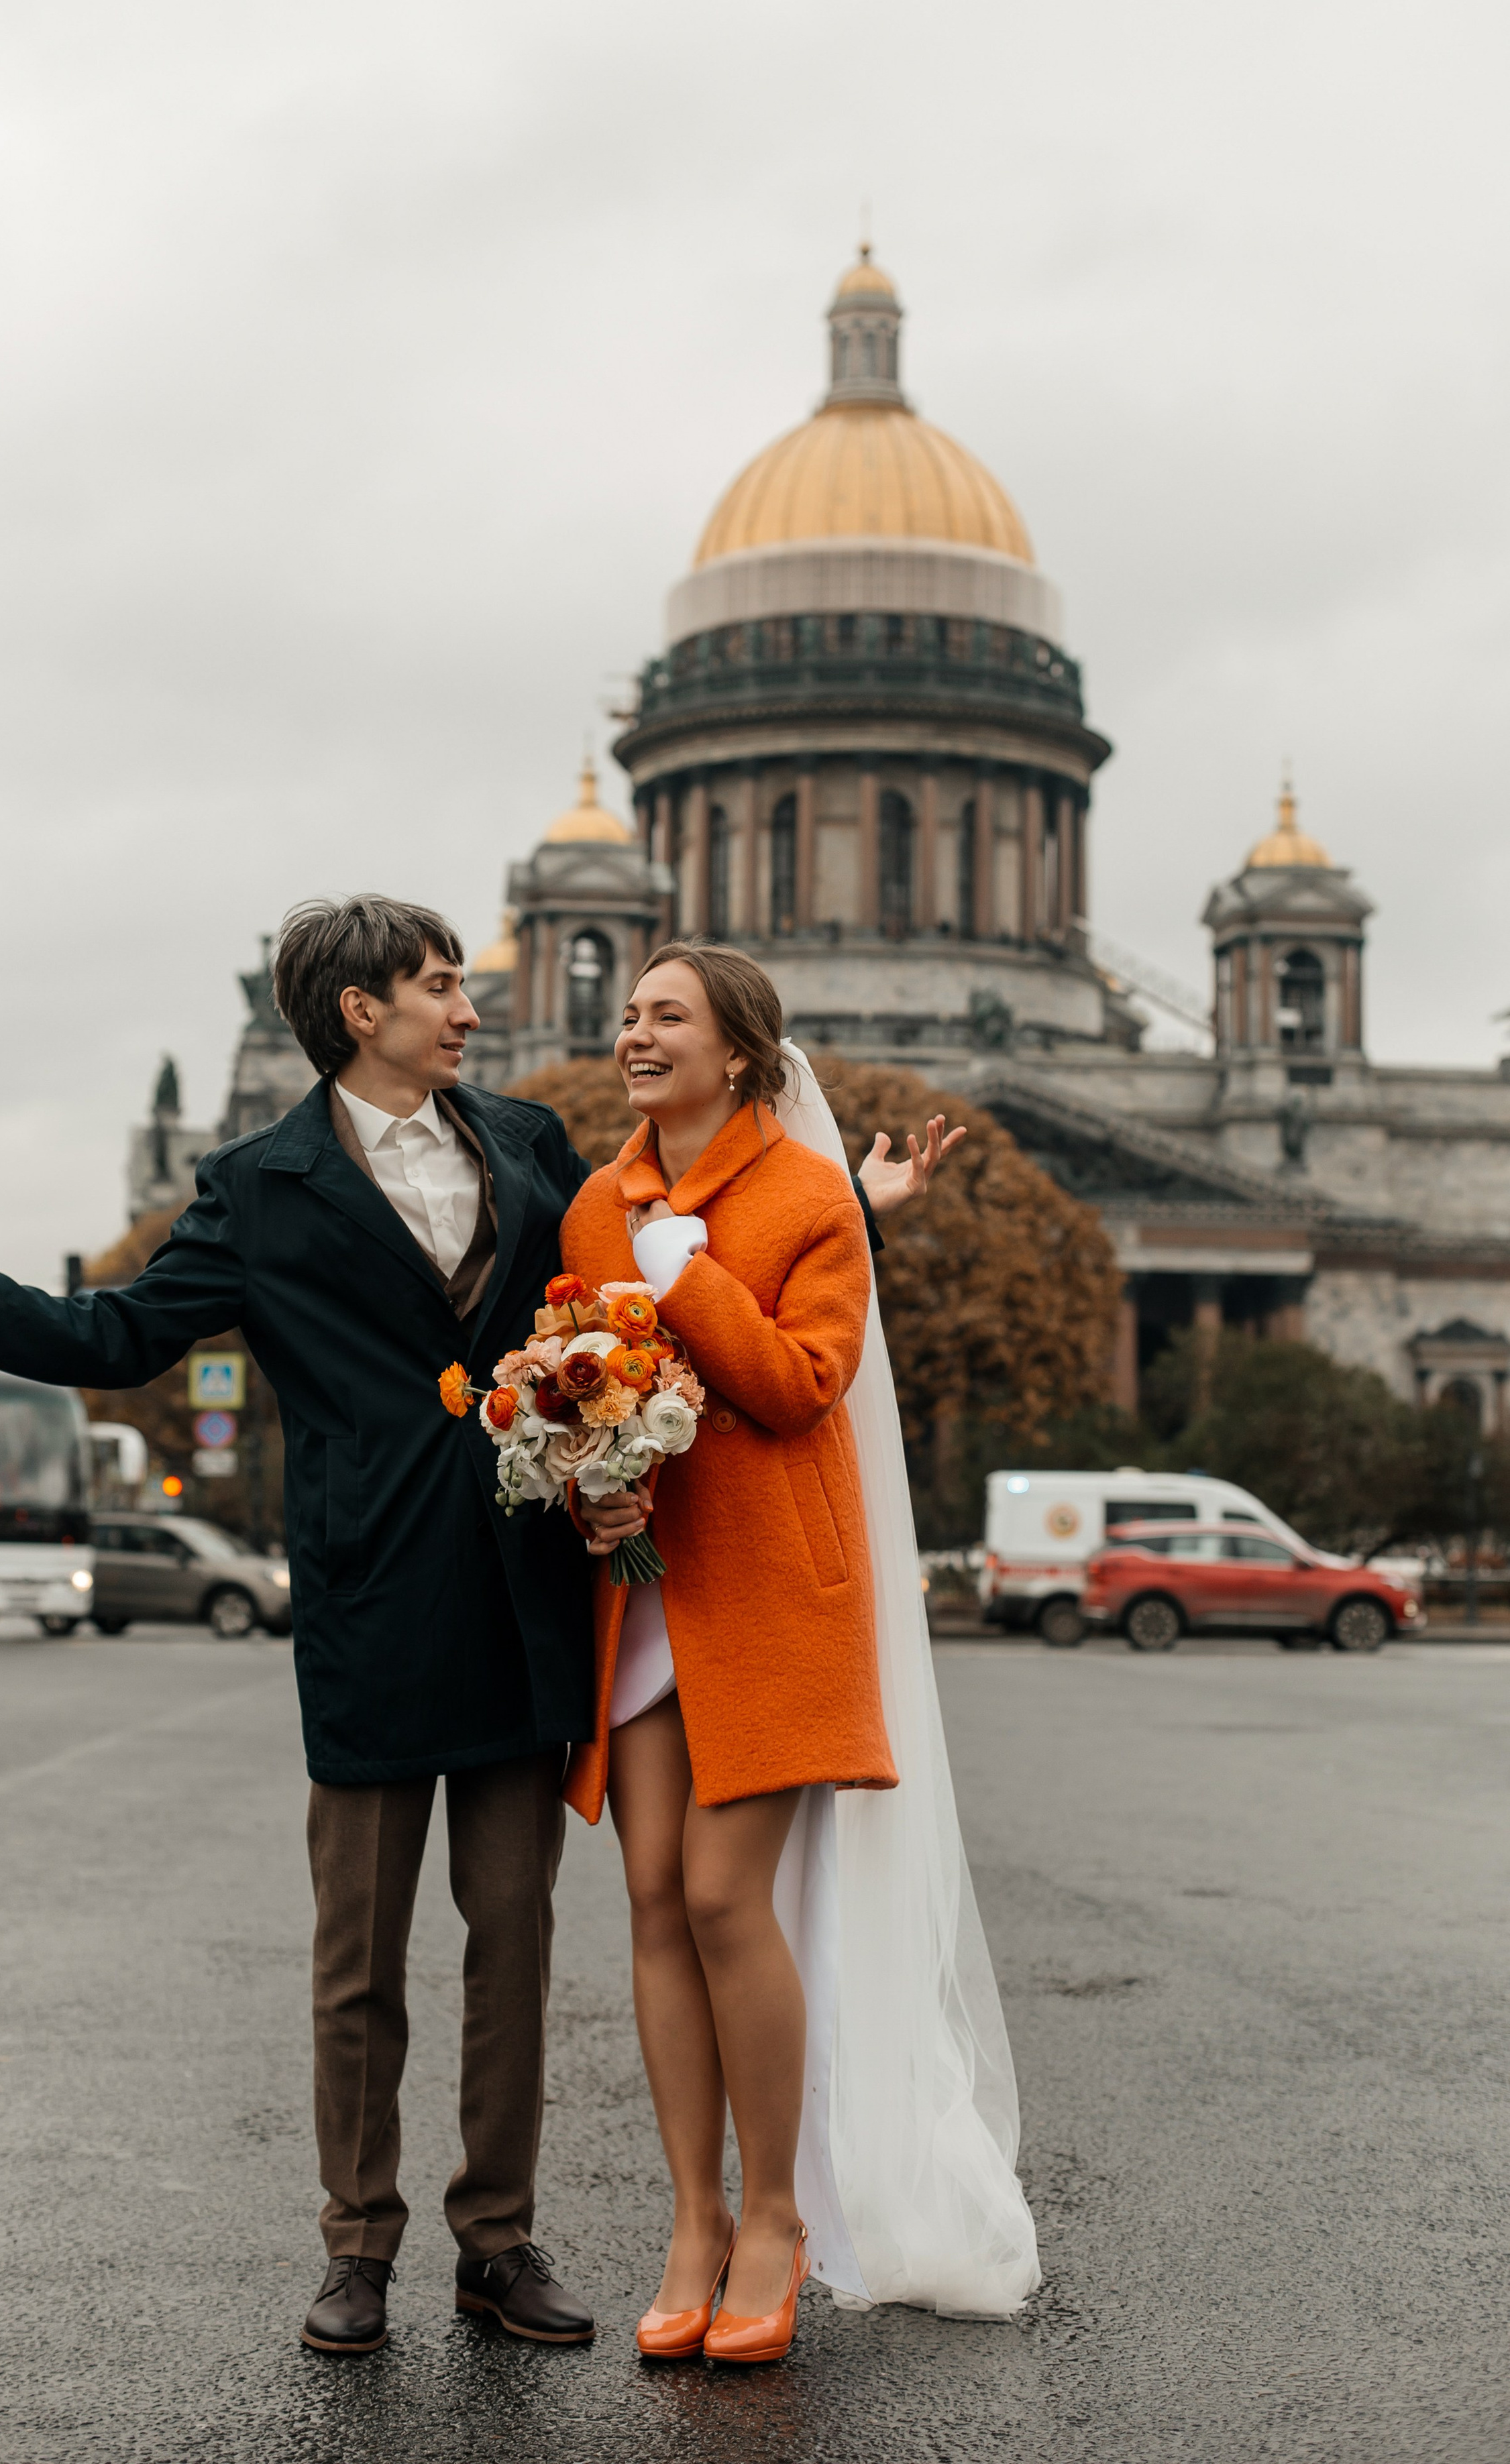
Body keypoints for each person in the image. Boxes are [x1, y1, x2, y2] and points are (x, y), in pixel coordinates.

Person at [0, 897, 948, 2363]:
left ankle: (498, 2241)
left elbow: (668, 1287)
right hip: (367, 1604)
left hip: (533, 1598)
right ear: (360, 1013)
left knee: (515, 1937)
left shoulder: (533, 1149)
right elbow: (119, 1338)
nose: (472, 1006)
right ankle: (357, 2247)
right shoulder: (257, 1187)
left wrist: (845, 1200)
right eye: (441, 984)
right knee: (359, 1953)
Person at [567, 941, 1040, 2365]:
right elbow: (577, 1372)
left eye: (667, 1018)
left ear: (740, 1051)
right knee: (652, 1898)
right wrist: (587, 1468)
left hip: (768, 1596)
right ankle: (691, 2227)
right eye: (630, 1014)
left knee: (722, 1901)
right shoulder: (598, 1200)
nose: (635, 1036)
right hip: (642, 1596)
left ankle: (770, 2220)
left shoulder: (800, 1196)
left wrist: (686, 1277)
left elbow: (796, 1387)